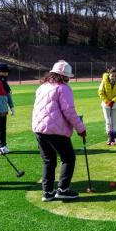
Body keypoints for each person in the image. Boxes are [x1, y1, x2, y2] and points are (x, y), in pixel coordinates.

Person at [32, 60, 86, 202]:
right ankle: (63, 189)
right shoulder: (63, 88)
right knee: (68, 158)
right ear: (64, 76)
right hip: (55, 130)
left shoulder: (42, 86)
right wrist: (81, 128)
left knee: (48, 161)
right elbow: (69, 111)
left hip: (39, 129)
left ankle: (48, 192)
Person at [98, 67, 116, 145]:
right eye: (112, 75)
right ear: (109, 75)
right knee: (108, 121)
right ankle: (110, 137)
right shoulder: (104, 81)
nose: (114, 77)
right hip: (106, 104)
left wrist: (113, 101)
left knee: (115, 121)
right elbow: (100, 92)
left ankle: (115, 136)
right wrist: (107, 101)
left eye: (115, 76)